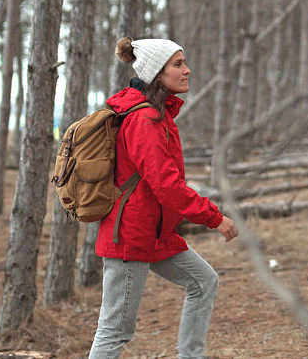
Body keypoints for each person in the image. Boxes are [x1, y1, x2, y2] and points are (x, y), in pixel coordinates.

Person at [89, 37, 238, 359]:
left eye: (183, 62)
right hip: (131, 236)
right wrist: (214, 218)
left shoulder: (157, 115)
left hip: (154, 233)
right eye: (178, 64)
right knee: (115, 329)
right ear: (157, 73)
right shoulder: (144, 120)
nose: (187, 70)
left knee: (203, 282)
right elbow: (166, 185)